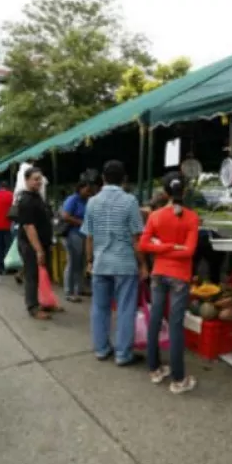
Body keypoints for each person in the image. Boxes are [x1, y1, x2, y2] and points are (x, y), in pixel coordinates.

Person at [82, 160, 148, 366]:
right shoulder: (130, 201)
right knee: (125, 308)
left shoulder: (92, 202)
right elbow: (137, 238)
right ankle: (123, 354)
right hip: (124, 263)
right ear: (124, 180)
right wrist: (144, 265)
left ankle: (101, 349)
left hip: (101, 263)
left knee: (99, 308)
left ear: (103, 178)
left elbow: (89, 237)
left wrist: (89, 261)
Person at [139, 172, 200, 394]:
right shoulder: (192, 217)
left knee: (155, 319)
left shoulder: (155, 216)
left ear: (165, 192)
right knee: (175, 326)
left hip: (158, 273)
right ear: (184, 191)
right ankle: (178, 379)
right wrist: (176, 247)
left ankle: (154, 369)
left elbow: (144, 245)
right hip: (180, 277)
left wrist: (163, 246)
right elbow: (189, 251)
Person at [17, 167, 55, 320]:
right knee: (32, 275)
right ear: (26, 180)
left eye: (40, 179)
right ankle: (32, 307)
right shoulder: (26, 200)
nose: (38, 182)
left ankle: (46, 302)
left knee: (44, 274)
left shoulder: (37, 197)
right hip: (31, 244)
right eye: (35, 179)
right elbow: (29, 227)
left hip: (43, 242)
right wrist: (38, 250)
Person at [61, 180, 91, 302]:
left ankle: (79, 288)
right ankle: (69, 291)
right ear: (80, 189)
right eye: (87, 190)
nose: (89, 192)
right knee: (72, 262)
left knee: (81, 262)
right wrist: (81, 223)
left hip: (83, 234)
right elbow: (65, 216)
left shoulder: (86, 201)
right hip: (73, 234)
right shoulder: (73, 199)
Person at [0, 181, 14, 275]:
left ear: (0, 187)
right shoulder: (11, 195)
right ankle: (8, 266)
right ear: (7, 187)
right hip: (8, 225)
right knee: (8, 247)